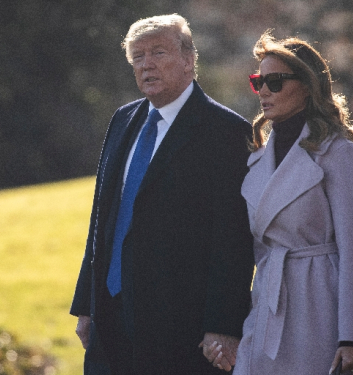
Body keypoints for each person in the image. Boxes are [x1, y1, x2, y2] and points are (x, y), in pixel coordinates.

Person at [69, 14, 255, 375]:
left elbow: (233, 238)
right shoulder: (123, 120)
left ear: (189, 59)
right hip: (110, 319)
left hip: (181, 328)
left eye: (158, 52)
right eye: (137, 57)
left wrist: (224, 324)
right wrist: (87, 304)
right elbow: (103, 219)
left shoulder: (227, 133)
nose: (147, 64)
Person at [204, 31, 353, 374]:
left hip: (322, 312)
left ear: (307, 85)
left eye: (275, 81)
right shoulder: (256, 161)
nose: (264, 92)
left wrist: (352, 338)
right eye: (259, 82)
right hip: (268, 309)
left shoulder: (342, 156)